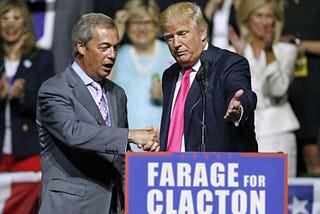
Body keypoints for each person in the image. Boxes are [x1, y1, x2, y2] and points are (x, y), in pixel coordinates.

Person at [36, 13, 160, 213]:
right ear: (81, 47)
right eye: (104, 47)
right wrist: (130, 135)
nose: (112, 54)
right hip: (69, 207)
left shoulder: (117, 93)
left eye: (115, 47)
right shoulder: (55, 90)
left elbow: (119, 154)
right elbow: (72, 133)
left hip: (111, 206)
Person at [158, 2, 258, 152]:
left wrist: (239, 108)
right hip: (172, 170)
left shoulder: (229, 63)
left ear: (202, 33)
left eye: (183, 34)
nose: (176, 43)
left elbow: (242, 93)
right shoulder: (169, 75)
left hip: (219, 168)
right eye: (169, 37)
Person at [228, 0, 299, 177]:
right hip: (244, 132)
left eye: (269, 16)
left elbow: (278, 90)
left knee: (282, 196)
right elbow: (237, 91)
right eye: (259, 16)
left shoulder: (286, 51)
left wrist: (269, 53)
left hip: (278, 132)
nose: (265, 22)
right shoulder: (234, 51)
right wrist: (240, 57)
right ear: (247, 20)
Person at [112, 0, 175, 151]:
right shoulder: (116, 54)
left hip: (164, 145)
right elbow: (101, 86)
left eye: (147, 22)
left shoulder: (172, 53)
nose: (142, 28)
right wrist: (114, 39)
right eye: (135, 22)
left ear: (157, 26)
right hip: (125, 145)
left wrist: (168, 94)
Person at [0, 0, 55, 172]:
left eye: (16, 18)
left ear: (25, 23)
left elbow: (49, 106)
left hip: (29, 153)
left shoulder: (42, 59)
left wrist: (24, 95)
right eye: (5, 18)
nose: (10, 24)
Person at [281, 0, 320, 176]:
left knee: (312, 148)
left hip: (313, 80)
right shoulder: (282, 6)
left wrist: (304, 46)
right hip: (289, 84)